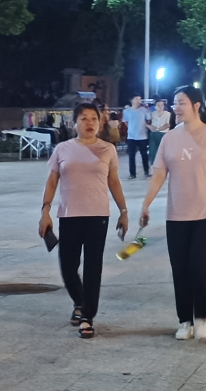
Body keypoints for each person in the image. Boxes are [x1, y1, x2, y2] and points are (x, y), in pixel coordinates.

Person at [139, 86, 206, 341]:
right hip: (177, 213)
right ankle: (184, 321)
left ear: (196, 105)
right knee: (180, 268)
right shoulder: (169, 138)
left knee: (200, 266)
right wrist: (145, 204)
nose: (176, 107)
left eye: (181, 102)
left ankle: (202, 317)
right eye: (174, 103)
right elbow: (159, 174)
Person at [38, 103, 129, 339]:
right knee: (68, 265)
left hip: (97, 216)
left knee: (92, 267)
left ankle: (87, 316)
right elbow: (52, 181)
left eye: (93, 119)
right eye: (83, 118)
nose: (89, 123)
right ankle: (80, 301)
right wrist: (45, 211)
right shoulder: (62, 149)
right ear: (74, 122)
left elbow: (114, 182)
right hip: (68, 215)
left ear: (99, 123)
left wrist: (124, 211)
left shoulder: (107, 149)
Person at [122, 95, 150, 180]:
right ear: (132, 100)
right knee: (131, 156)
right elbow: (126, 122)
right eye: (137, 99)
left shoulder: (144, 110)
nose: (139, 101)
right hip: (131, 137)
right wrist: (131, 129)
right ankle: (132, 173)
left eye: (140, 99)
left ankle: (146, 171)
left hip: (142, 136)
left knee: (144, 155)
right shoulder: (127, 111)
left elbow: (148, 121)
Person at [147, 99, 171, 167]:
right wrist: (149, 127)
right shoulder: (152, 114)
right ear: (155, 107)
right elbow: (148, 123)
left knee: (164, 151)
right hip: (153, 135)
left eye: (162, 105)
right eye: (158, 105)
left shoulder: (167, 114)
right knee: (153, 151)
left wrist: (158, 129)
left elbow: (167, 124)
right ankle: (153, 166)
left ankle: (164, 166)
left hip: (163, 134)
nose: (160, 107)